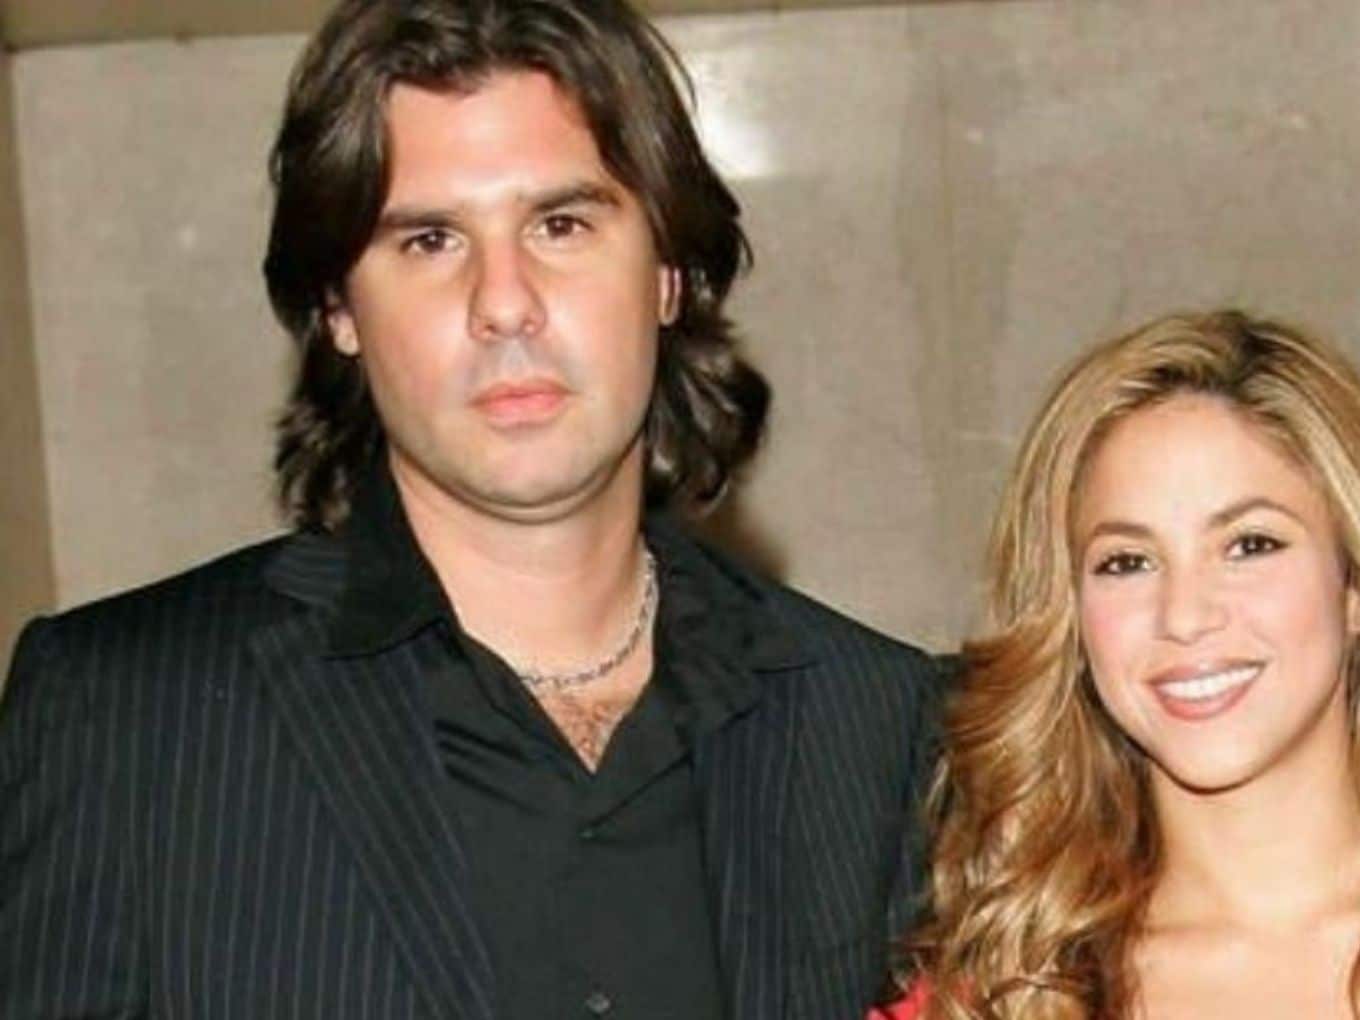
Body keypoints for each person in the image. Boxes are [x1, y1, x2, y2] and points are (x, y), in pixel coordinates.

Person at [0, 2, 939, 1018]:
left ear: (667, 276)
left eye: (561, 224)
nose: (504, 302)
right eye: (430, 239)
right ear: (340, 310)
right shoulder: (120, 718)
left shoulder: (878, 722)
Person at [878, 311, 1360, 1018]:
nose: (1184, 616)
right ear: (1069, 616)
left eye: (1250, 545)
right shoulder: (998, 999)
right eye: (1126, 562)